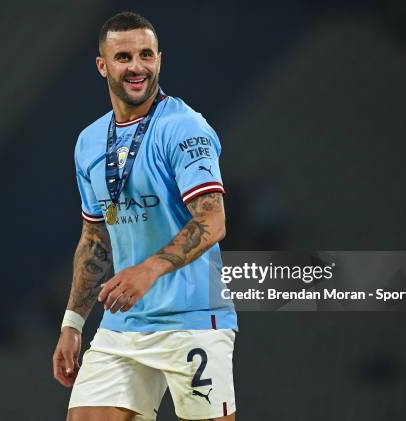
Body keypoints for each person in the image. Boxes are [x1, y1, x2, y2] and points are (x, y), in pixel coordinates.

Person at [52, 11, 237, 421]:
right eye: (123, 57)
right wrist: (72, 322)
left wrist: (148, 270)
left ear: (159, 60)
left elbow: (212, 219)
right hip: (125, 325)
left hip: (192, 320)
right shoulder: (89, 143)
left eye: (146, 54)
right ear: (102, 65)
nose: (137, 66)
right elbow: (95, 238)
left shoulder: (185, 129)